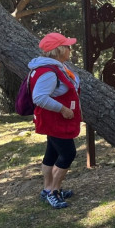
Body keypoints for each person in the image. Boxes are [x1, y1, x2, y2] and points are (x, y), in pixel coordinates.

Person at [29, 32, 81, 210]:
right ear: (58, 50)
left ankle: (47, 189)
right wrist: (63, 109)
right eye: (67, 46)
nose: (70, 49)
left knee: (51, 153)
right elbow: (39, 97)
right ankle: (54, 192)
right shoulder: (49, 72)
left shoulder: (51, 67)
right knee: (68, 154)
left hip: (53, 121)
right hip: (57, 120)